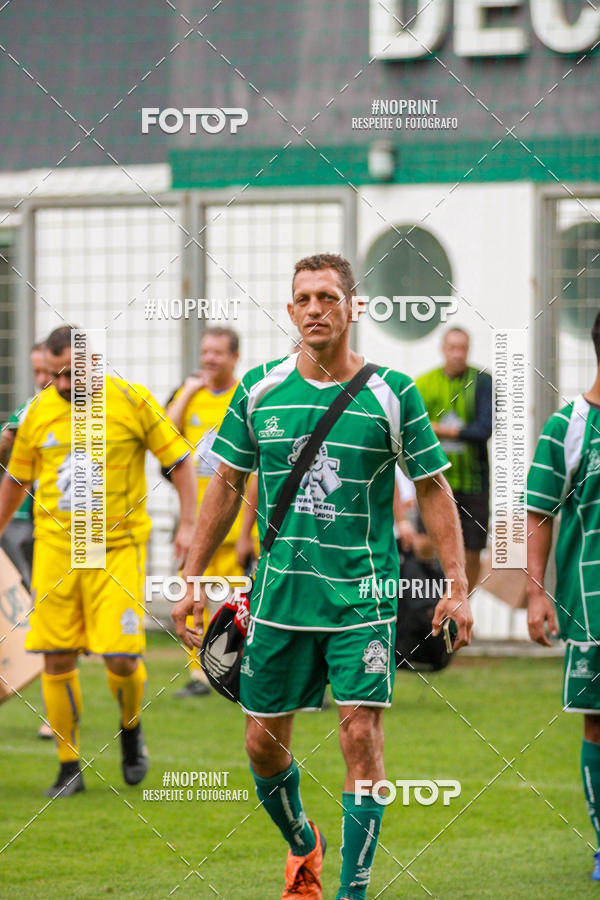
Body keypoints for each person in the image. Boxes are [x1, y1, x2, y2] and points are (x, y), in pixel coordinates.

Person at [172, 253, 472, 900]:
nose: (316, 308)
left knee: (360, 734)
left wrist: (456, 584)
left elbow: (433, 488)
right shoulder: (259, 389)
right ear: (289, 310)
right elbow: (225, 485)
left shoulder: (392, 392)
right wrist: (191, 576)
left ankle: (351, 891)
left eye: (329, 297)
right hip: (279, 598)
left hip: (361, 600)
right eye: (304, 298)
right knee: (260, 745)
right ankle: (304, 843)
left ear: (353, 307)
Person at [0, 325, 196, 797]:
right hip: (55, 551)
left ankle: (131, 730)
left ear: (93, 363)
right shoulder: (39, 414)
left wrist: (188, 523)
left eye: (70, 373)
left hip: (117, 549)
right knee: (55, 655)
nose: (62, 384)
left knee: (123, 659)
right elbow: (17, 481)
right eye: (54, 375)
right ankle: (69, 767)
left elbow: (179, 462)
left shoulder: (132, 400)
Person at [526, 310, 600, 881]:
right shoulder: (569, 425)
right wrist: (535, 593)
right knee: (597, 725)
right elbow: (537, 512)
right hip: (592, 605)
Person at [165, 326, 259, 697]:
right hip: (199, 522)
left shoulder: (245, 396)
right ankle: (198, 675)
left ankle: (238, 669)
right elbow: (166, 437)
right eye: (205, 352)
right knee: (193, 594)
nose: (209, 359)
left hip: (237, 523)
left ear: (234, 356)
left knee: (238, 602)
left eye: (217, 353)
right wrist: (188, 391)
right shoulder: (191, 398)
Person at [416, 327, 492, 593]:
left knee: (472, 551)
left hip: (474, 482)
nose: (458, 354)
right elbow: (414, 433)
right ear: (443, 349)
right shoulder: (424, 384)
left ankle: (462, 606)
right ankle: (427, 607)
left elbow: (484, 430)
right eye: (453, 348)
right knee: (424, 542)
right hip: (435, 480)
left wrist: (440, 429)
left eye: (463, 348)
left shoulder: (483, 382)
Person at [0, 341, 50, 591]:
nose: (42, 379)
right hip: (28, 518)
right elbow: (4, 443)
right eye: (36, 372)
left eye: (47, 372)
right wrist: (8, 441)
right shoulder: (30, 408)